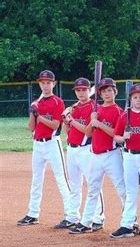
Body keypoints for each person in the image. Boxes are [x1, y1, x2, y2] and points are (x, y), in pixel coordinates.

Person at [69, 78, 126, 234]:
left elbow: (116, 134)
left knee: (121, 189)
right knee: (93, 189)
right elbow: (88, 133)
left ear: (115, 92)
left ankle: (130, 221)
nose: (107, 93)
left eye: (110, 90)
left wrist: (98, 123)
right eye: (104, 91)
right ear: (99, 93)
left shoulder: (118, 111)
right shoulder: (97, 110)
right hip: (95, 154)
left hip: (112, 154)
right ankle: (86, 222)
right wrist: (92, 120)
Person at [18, 70, 73, 227]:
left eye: (48, 82)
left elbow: (55, 125)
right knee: (36, 179)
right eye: (43, 82)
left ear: (53, 84)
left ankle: (70, 215)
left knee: (61, 178)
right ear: (39, 84)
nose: (45, 85)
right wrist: (32, 113)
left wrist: (40, 115)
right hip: (37, 144)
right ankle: (32, 214)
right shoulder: (37, 102)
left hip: (52, 143)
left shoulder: (58, 102)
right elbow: (31, 127)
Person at [110, 84, 140, 238]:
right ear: (131, 99)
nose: (138, 100)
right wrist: (123, 138)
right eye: (135, 97)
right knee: (131, 190)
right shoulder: (125, 116)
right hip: (129, 155)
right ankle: (127, 224)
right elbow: (116, 137)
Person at [61, 78, 104, 229]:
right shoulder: (74, 107)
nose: (80, 93)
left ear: (89, 90)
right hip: (71, 149)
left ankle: (98, 218)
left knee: (92, 183)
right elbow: (67, 131)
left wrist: (71, 120)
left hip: (86, 149)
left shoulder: (94, 108)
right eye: (78, 90)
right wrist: (66, 121)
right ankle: (72, 216)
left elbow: (88, 131)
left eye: (84, 90)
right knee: (74, 184)